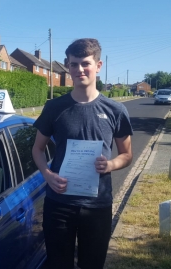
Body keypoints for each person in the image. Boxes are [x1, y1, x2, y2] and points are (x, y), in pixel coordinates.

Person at [32, 38, 133, 269]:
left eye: (85, 63)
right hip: (59, 203)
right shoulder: (54, 108)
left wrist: (109, 165)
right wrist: (47, 175)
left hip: (97, 205)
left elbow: (126, 155)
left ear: (98, 66)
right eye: (74, 64)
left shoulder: (116, 110)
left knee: (92, 264)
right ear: (68, 66)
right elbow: (37, 149)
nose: (79, 69)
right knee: (59, 264)